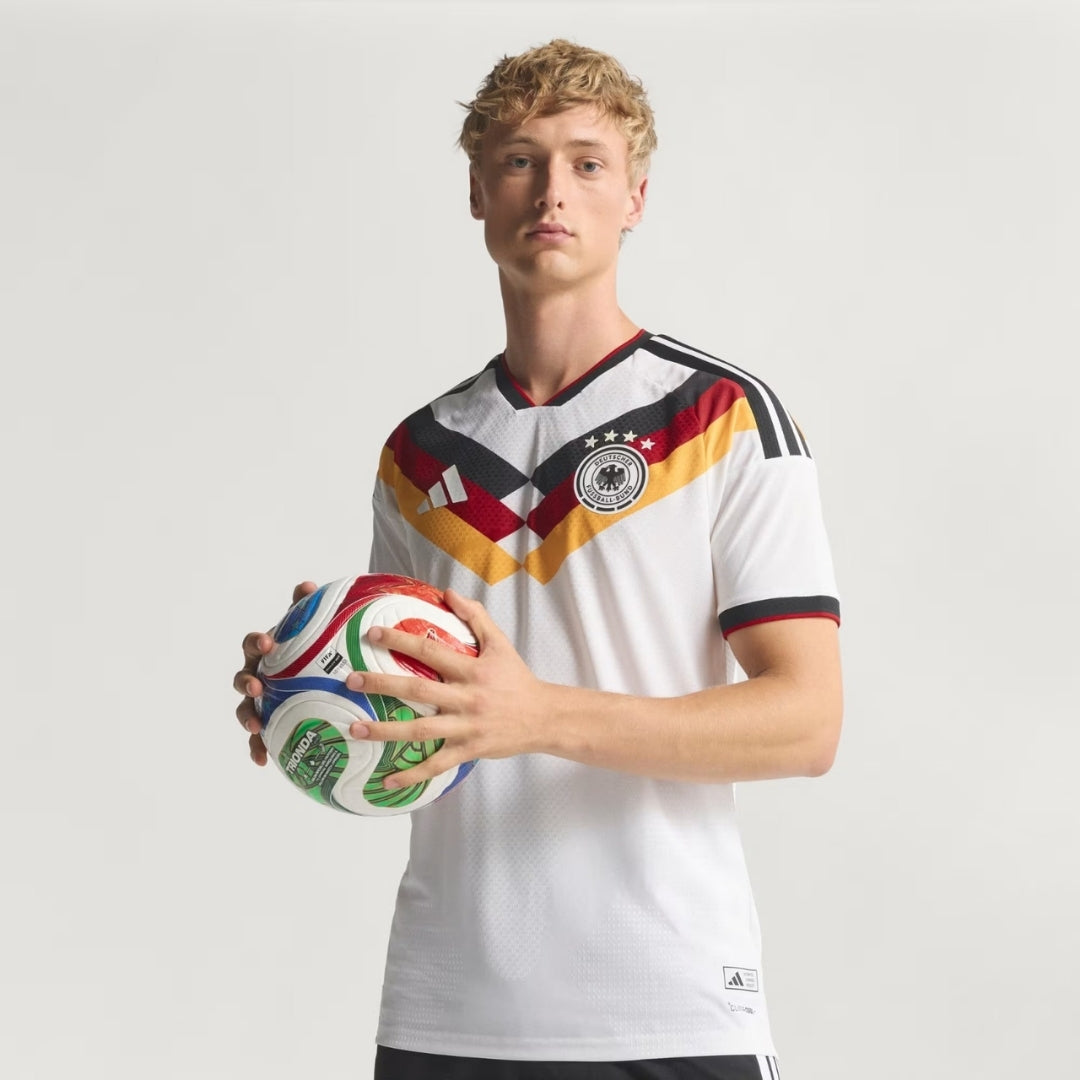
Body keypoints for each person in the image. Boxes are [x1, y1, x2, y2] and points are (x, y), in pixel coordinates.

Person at [234, 39, 842, 1080]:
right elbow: (429, 730)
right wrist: (314, 691)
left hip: (669, 1010)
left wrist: (539, 716)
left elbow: (807, 721)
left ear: (635, 197)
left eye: (587, 163)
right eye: (520, 160)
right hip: (447, 1010)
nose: (552, 190)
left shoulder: (723, 418)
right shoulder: (418, 454)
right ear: (478, 193)